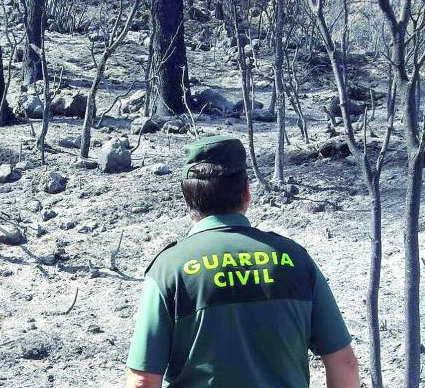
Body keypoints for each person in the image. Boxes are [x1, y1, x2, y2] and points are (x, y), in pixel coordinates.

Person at [124, 135, 359, 388]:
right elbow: (344, 363)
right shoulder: (295, 259)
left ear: (186, 199)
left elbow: (143, 379)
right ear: (247, 192)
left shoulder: (169, 269)